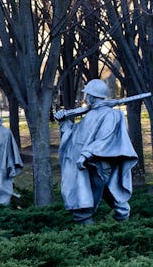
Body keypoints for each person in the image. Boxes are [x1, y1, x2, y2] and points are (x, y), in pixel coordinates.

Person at [54, 79, 138, 224]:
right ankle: (118, 229)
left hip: (99, 165)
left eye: (87, 95)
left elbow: (105, 138)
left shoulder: (111, 115)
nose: (85, 97)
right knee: (109, 199)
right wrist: (64, 121)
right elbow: (75, 135)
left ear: (92, 96)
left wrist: (86, 154)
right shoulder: (91, 114)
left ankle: (101, 234)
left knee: (90, 206)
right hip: (89, 165)